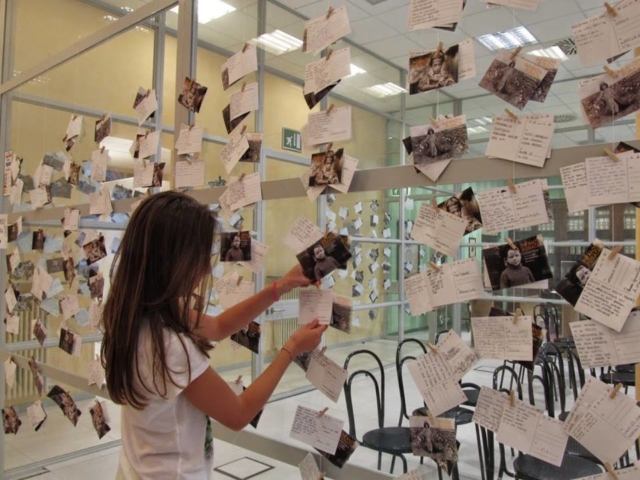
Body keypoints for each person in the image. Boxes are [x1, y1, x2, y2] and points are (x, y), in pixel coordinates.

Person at [101, 191, 325, 480]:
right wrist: (292, 348)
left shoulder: (135, 313)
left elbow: (218, 327)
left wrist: (279, 287)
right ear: (173, 260)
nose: (206, 268)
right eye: (200, 257)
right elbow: (239, 414)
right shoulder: (169, 347)